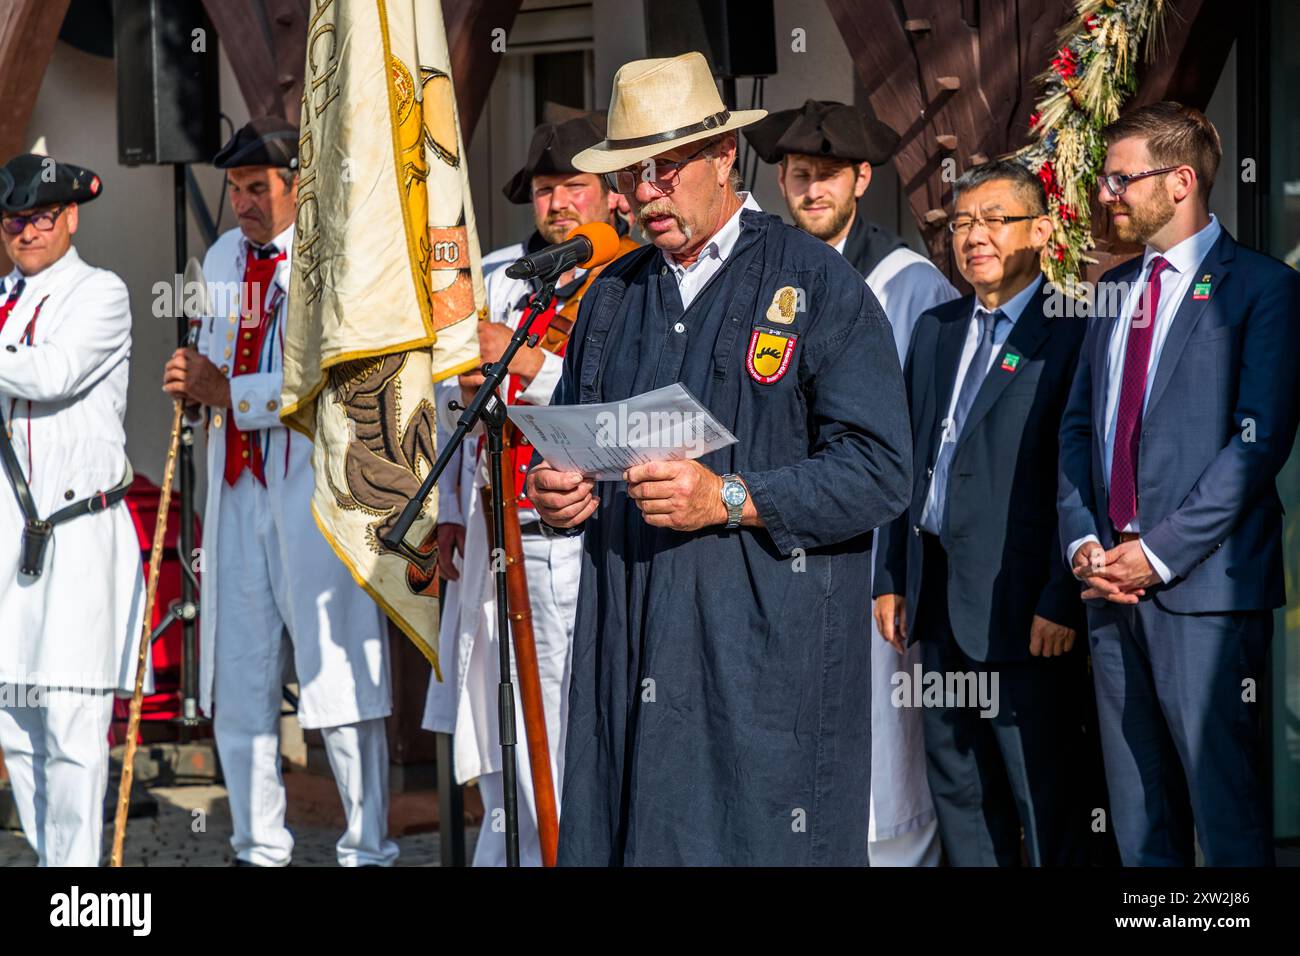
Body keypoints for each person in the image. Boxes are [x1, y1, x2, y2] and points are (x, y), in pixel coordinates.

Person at [525, 51, 912, 866]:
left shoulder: (818, 283)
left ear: (725, 155)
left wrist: (730, 497)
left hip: (765, 652)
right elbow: (569, 445)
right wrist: (556, 493)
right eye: (631, 175)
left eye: (664, 169)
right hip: (628, 640)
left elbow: (880, 469)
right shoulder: (611, 293)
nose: (645, 193)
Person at [1059, 102, 1300, 866]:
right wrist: (1085, 539)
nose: (1107, 194)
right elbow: (1074, 432)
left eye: (1122, 178)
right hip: (1108, 592)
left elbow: (1254, 449)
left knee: (1224, 818)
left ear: (1182, 182)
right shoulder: (1113, 290)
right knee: (1138, 821)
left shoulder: (1262, 290)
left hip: (1206, 598)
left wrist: (1156, 553)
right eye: (1106, 180)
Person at [162, 118, 398, 867]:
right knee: (239, 675)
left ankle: (367, 850)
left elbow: (330, 379)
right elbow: (213, 355)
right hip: (237, 488)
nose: (242, 204)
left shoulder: (336, 258)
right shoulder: (226, 257)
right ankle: (258, 848)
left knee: (338, 676)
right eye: (234, 188)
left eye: (257, 188)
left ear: (300, 187)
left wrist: (227, 391)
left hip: (315, 485)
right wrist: (193, 384)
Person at [422, 110, 637, 866]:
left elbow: (625, 409)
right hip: (498, 533)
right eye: (545, 191)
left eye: (575, 187)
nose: (558, 206)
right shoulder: (506, 281)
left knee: (575, 729)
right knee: (502, 728)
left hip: (586, 538)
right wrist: (450, 508)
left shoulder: (631, 281)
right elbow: (458, 401)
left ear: (613, 195)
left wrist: (526, 368)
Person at [746, 98, 954, 867]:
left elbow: (921, 443)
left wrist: (897, 571)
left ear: (862, 179)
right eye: (798, 176)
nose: (810, 192)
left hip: (874, 546)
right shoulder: (766, 279)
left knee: (882, 741)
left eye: (827, 177)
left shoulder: (910, 286)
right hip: (777, 533)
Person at [873, 160, 1091, 866]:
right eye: (963, 221)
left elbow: (1078, 475)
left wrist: (1062, 595)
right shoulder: (937, 328)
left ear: (1042, 229)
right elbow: (902, 460)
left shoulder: (1072, 331)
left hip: (1025, 610)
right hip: (935, 603)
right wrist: (891, 576)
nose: (975, 236)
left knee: (1041, 797)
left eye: (996, 219)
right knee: (960, 795)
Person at [0, 151, 145, 866]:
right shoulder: (2, 300)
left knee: (72, 730)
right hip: (8, 549)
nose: (26, 231)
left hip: (81, 539)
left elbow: (51, 373)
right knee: (17, 729)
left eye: (40, 217)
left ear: (70, 218)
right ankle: (54, 871)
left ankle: (78, 889)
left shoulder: (102, 293)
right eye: (14, 220)